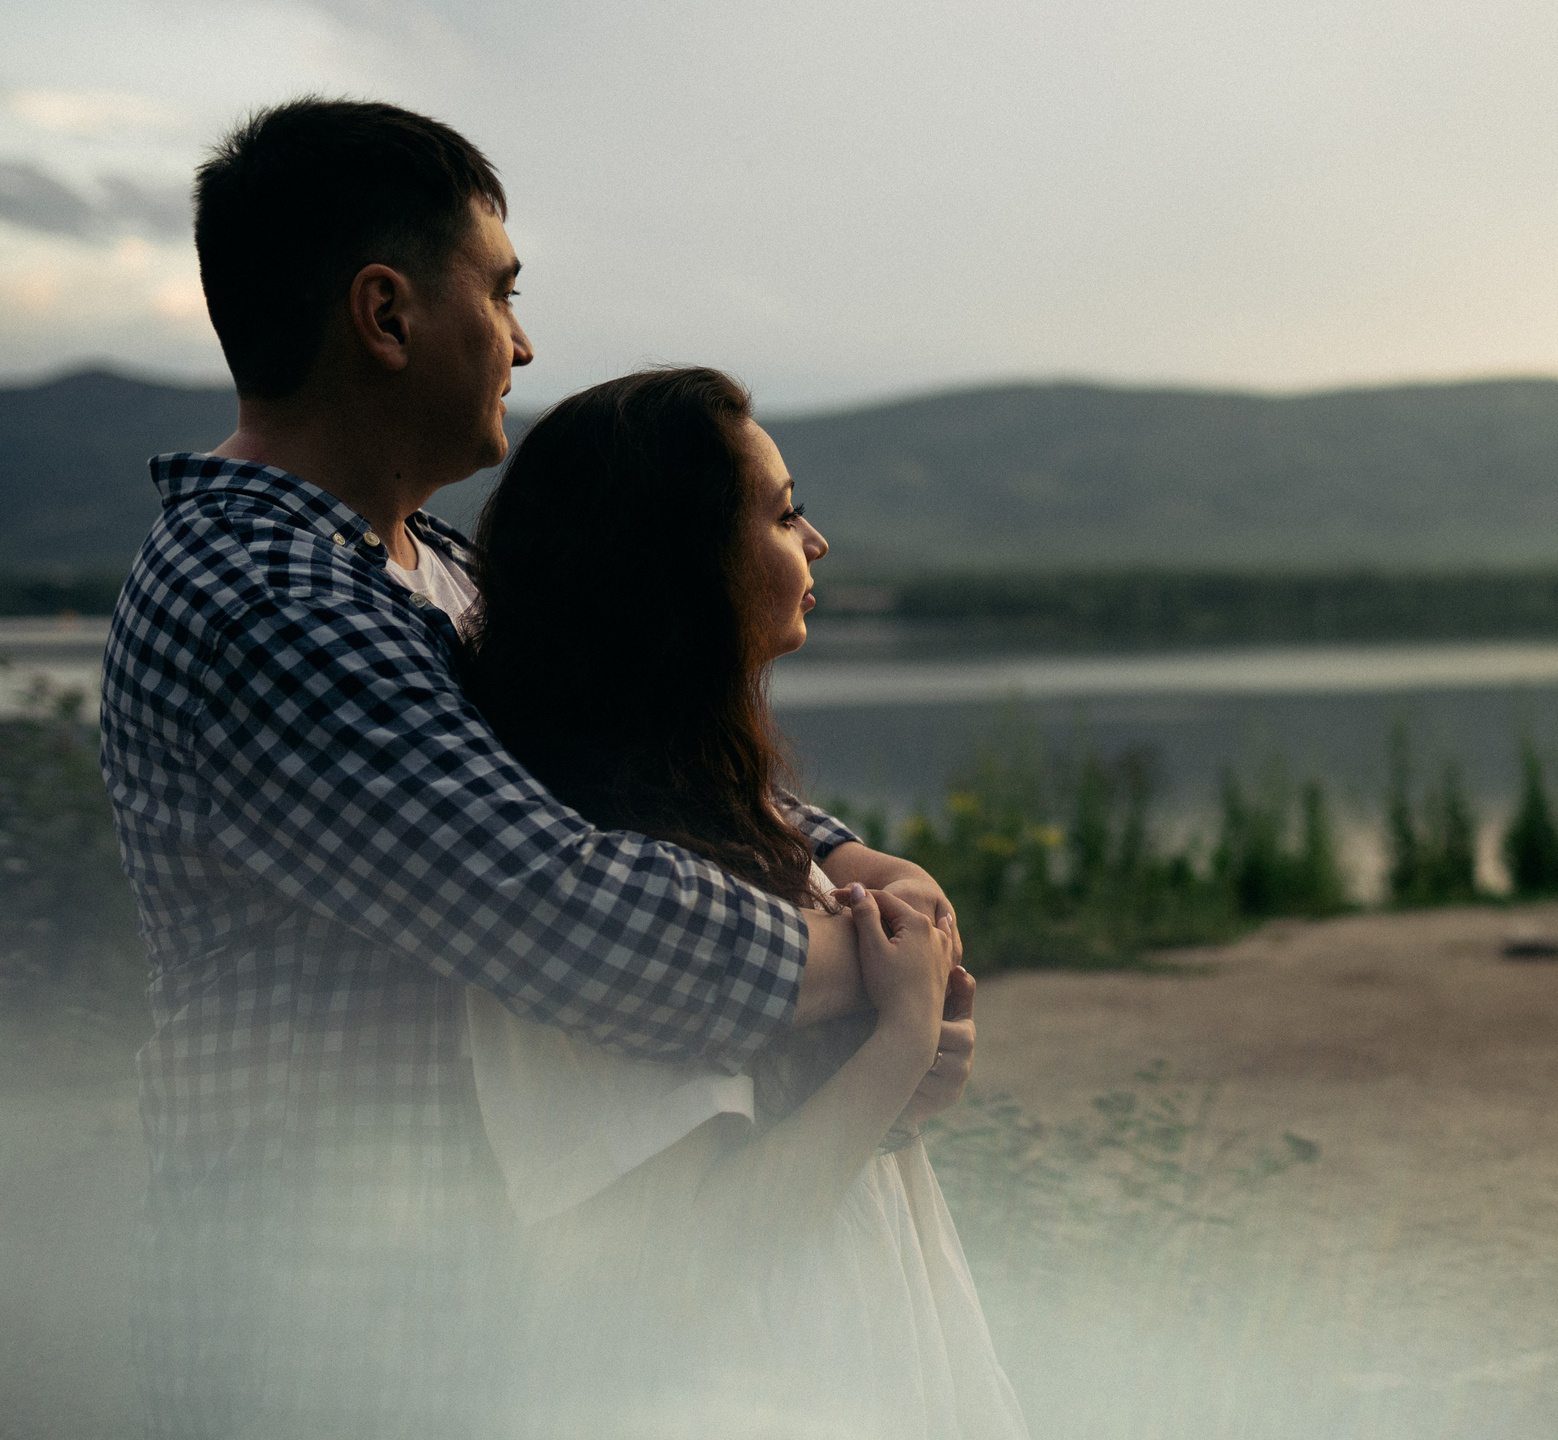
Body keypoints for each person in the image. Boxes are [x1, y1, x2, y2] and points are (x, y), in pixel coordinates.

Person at [99, 97, 962, 1437]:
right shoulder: (259, 597)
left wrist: (852, 864)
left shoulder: (427, 564)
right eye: (500, 294)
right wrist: (881, 968)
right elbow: (562, 908)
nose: (525, 341)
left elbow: (618, 743)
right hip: (324, 1340)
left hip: (469, 1310)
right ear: (385, 317)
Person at [456, 366, 1025, 1437]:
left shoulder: (727, 818)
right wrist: (898, 1039)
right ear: (677, 566)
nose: (816, 543)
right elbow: (680, 1261)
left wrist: (897, 1084)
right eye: (783, 511)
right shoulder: (620, 899)